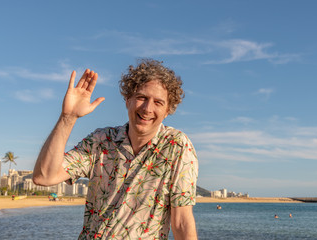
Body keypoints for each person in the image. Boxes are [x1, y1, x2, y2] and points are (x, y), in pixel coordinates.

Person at [33, 59, 199, 240]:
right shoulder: (101, 140)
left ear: (167, 110)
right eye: (141, 97)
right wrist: (68, 117)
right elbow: (44, 176)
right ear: (127, 100)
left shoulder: (177, 146)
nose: (147, 108)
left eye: (158, 102)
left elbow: (182, 221)